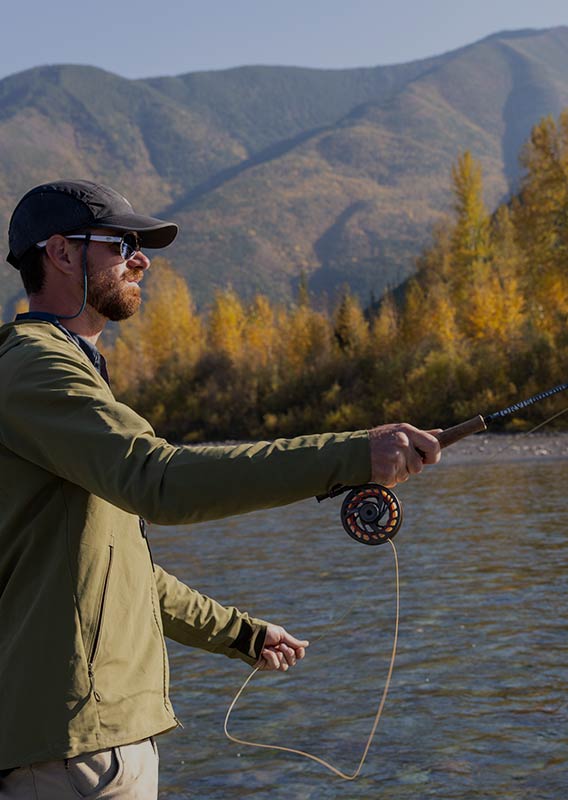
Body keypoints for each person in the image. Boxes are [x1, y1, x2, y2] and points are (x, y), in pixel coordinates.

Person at [0, 180, 441, 799]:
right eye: (122, 243)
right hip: (75, 753)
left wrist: (240, 634)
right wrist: (352, 455)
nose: (142, 258)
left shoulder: (65, 377)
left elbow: (119, 571)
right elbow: (163, 481)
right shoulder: (35, 368)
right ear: (62, 254)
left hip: (87, 746)